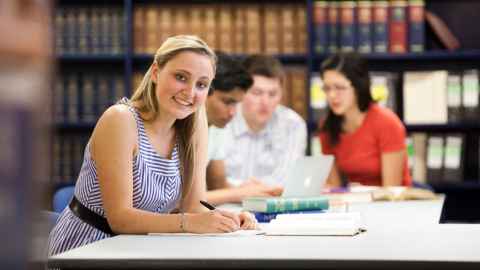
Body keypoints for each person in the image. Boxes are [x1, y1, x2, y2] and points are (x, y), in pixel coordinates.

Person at [48, 35, 257, 257]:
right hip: (87, 247)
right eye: (181, 77)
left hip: (142, 247)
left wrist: (229, 219)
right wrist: (189, 222)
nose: (190, 92)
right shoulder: (120, 120)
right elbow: (120, 220)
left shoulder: (195, 124)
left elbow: (194, 206)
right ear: (156, 72)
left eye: (202, 84)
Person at [318, 52, 411, 187]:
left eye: (339, 87)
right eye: (327, 88)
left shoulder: (387, 123)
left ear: (358, 86)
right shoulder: (326, 126)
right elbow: (334, 187)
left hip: (390, 204)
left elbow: (391, 191)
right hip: (354, 203)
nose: (332, 95)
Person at [205, 52, 282, 206]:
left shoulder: (216, 127)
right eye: (227, 102)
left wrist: (249, 189)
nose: (233, 113)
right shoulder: (177, 128)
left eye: (236, 104)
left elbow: (218, 186)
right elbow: (177, 201)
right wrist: (239, 193)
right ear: (202, 89)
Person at [223, 55, 307, 188]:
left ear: (281, 94)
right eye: (257, 93)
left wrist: (248, 189)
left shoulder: (293, 124)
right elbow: (211, 180)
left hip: (273, 204)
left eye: (272, 94)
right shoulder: (223, 119)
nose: (265, 102)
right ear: (241, 92)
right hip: (223, 203)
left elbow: (288, 178)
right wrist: (243, 189)